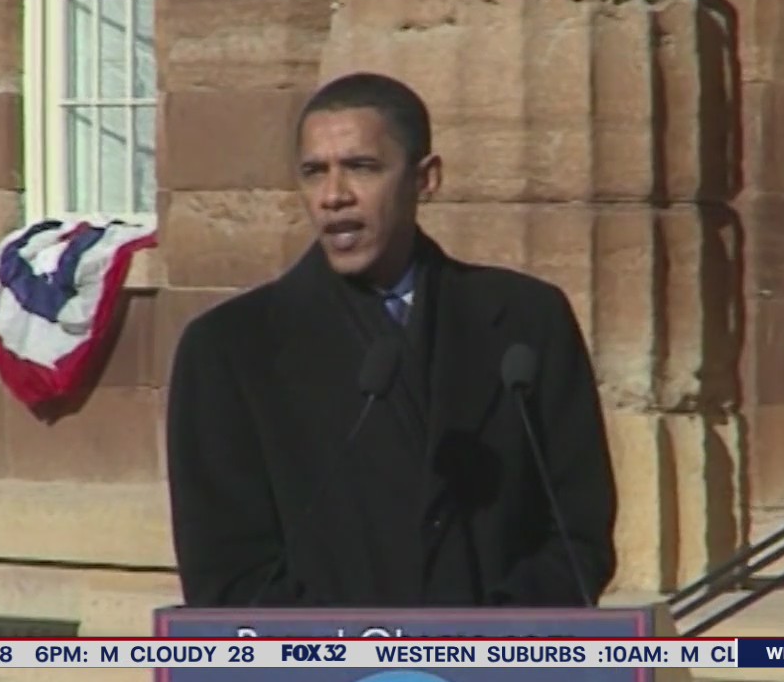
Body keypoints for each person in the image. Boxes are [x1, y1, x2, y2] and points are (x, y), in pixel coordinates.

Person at [166, 72, 617, 608]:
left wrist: (483, 644)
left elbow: (577, 533)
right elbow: (228, 576)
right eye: (314, 172)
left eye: (362, 167)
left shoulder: (526, 321)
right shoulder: (230, 350)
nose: (334, 195)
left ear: (425, 179)